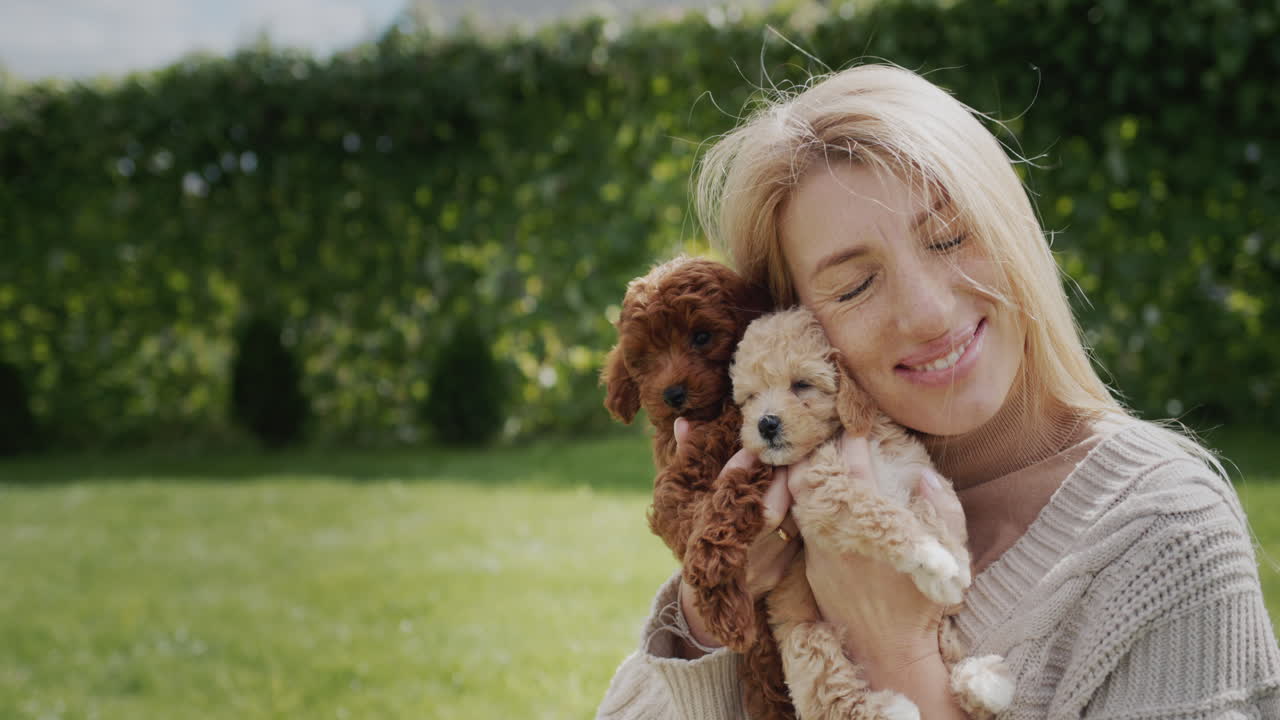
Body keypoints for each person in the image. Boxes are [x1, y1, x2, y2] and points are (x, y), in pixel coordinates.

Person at [596, 63, 1280, 719]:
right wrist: (711, 609)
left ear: (1011, 227)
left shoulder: (1165, 536)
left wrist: (896, 650)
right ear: (786, 320)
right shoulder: (785, 519)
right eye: (855, 285)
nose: (926, 311)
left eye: (950, 237)